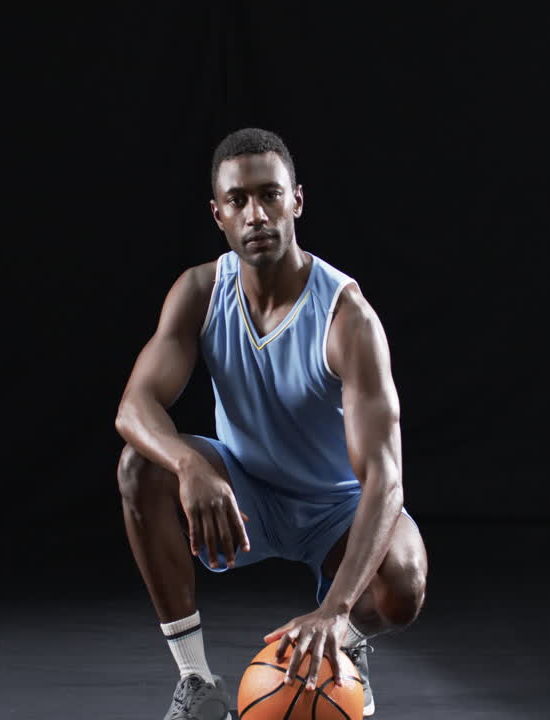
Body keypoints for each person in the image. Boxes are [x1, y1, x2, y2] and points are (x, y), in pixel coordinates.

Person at [115, 127, 428, 719]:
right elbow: (134, 406)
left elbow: (386, 482)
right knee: (141, 466)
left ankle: (347, 647)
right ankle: (197, 681)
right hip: (243, 492)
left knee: (403, 587)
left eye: (270, 195)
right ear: (218, 214)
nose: (256, 214)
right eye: (238, 201)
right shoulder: (201, 291)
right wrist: (189, 466)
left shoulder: (347, 318)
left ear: (296, 201)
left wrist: (335, 611)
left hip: (333, 507)